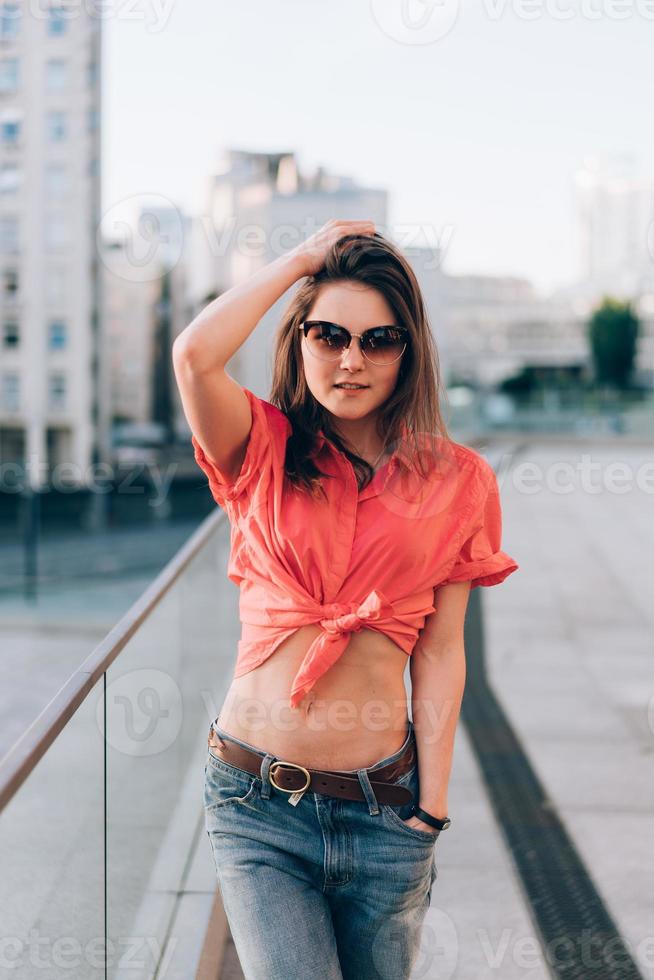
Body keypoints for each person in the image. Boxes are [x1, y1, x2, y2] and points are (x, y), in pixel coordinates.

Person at [172, 219, 519, 979]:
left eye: (378, 340)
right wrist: (301, 259)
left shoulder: (460, 481)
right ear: (299, 340)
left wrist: (429, 808)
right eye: (328, 334)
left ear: (409, 350)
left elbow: (441, 651)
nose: (351, 360)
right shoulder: (257, 447)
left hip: (387, 812)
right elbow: (195, 355)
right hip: (255, 804)